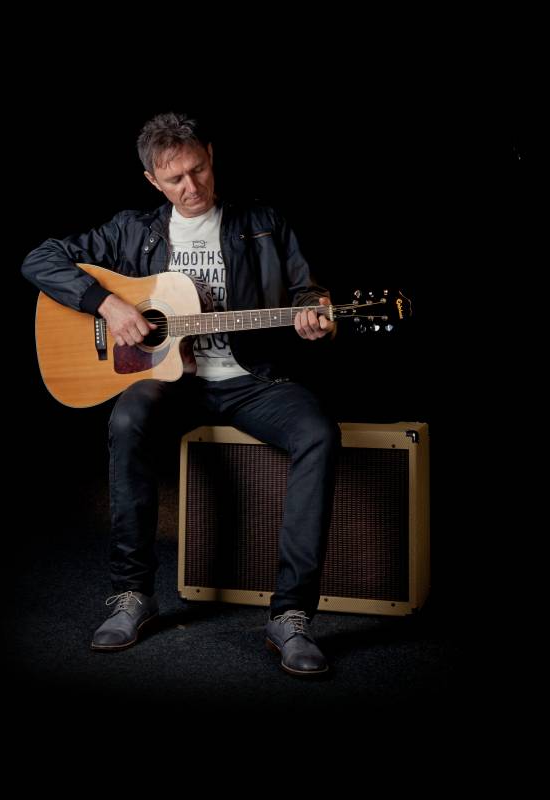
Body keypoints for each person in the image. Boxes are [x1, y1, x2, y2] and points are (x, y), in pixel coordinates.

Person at [21, 112, 341, 676]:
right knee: (127, 422)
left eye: (198, 169)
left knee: (319, 432)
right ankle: (132, 594)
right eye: (175, 179)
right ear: (153, 180)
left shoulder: (262, 223)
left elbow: (305, 291)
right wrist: (107, 304)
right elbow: (39, 259)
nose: (192, 187)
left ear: (210, 156)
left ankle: (291, 614)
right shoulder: (131, 230)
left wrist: (316, 314)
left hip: (248, 379)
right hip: (166, 382)